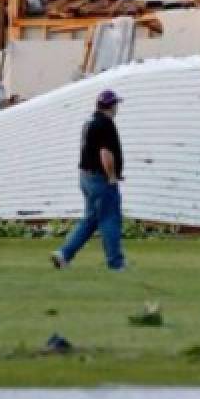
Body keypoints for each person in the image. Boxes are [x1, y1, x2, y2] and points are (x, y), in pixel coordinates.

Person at [51, 89, 126, 271]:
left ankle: (63, 254)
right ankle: (116, 263)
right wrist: (112, 177)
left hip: (85, 177)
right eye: (116, 104)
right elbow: (105, 153)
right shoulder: (106, 124)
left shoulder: (90, 122)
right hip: (100, 178)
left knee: (90, 220)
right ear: (111, 106)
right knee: (110, 219)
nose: (117, 108)